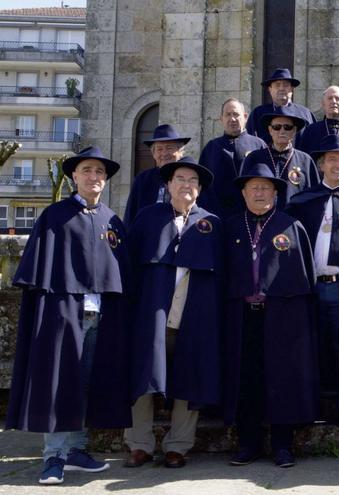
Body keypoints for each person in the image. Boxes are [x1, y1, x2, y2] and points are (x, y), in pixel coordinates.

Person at [6, 146, 131, 485]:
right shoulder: (56, 215)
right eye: (87, 171)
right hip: (63, 312)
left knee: (87, 383)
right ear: (74, 176)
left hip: (100, 315)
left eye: (100, 173)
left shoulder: (111, 220)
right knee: (59, 381)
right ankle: (54, 457)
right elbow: (40, 270)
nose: (94, 177)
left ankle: (76, 449)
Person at [123, 157, 222, 470]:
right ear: (167, 185)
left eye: (193, 180)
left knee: (187, 380)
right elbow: (130, 267)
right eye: (180, 179)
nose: (186, 185)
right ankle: (139, 444)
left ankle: (178, 445)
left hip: (193, 316)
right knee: (142, 376)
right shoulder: (147, 218)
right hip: (152, 313)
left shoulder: (211, 223)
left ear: (200, 189)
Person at [222, 159, 319, 468]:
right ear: (243, 193)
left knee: (283, 379)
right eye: (254, 188)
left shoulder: (292, 226)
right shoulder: (231, 226)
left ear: (276, 193)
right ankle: (248, 444)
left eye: (266, 188)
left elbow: (307, 279)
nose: (260, 193)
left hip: (282, 316)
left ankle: (282, 445)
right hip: (242, 316)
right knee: (246, 381)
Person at [286, 134, 339, 400]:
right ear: (321, 164)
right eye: (331, 159)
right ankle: (310, 401)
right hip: (308, 285)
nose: (337, 165)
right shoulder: (303, 200)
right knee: (308, 343)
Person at [198, 98, 267, 219]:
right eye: (228, 115)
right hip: (217, 217)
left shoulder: (258, 145)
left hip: (251, 216)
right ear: (221, 119)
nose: (232, 119)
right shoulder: (211, 147)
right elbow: (202, 186)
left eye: (236, 114)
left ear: (245, 117)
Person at [240, 105, 319, 209]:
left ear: (294, 130)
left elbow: (315, 197)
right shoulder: (254, 158)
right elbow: (244, 193)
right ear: (270, 130)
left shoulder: (305, 161)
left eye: (287, 127)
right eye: (277, 127)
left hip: (294, 221)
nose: (282, 131)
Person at [124, 124, 190, 225]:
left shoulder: (191, 178)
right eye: (159, 149)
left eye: (169, 148)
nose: (164, 153)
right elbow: (130, 216)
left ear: (180, 151)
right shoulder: (143, 180)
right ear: (153, 154)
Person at [245, 68, 316, 145]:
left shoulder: (305, 114)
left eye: (285, 85)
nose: (281, 88)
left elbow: (314, 143)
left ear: (292, 89)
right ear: (270, 89)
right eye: (277, 85)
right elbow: (250, 143)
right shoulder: (258, 114)